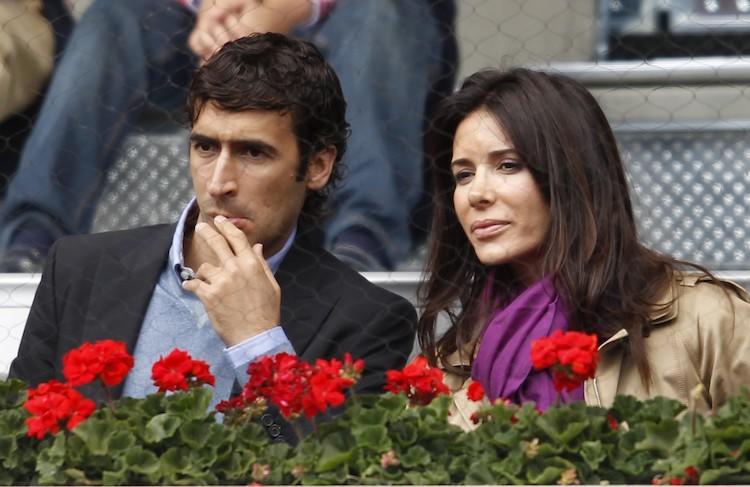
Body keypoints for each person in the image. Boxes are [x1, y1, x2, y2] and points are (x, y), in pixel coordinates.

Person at [9, 34, 417, 441]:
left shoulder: (368, 321)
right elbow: (19, 446)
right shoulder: (79, 269)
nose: (219, 183)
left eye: (253, 153)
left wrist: (259, 345)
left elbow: (310, 462)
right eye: (205, 147)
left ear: (317, 166)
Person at [0, 0, 455, 272]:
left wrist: (288, 7)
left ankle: (363, 238)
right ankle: (32, 237)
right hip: (200, 26)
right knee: (112, 15)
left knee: (381, 12)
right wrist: (212, 9)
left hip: (337, 24)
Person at [417, 68, 750, 430]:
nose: (477, 194)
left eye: (508, 165)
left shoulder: (709, 319)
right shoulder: (446, 366)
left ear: (570, 173)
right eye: (463, 175)